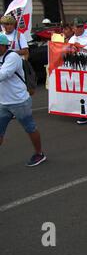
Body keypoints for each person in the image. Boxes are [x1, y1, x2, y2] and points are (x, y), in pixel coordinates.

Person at [0, 33, 46, 167]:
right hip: (3, 102)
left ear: (3, 46)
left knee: (30, 128)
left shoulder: (13, 57)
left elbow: (4, 74)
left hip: (19, 101)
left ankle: (39, 153)